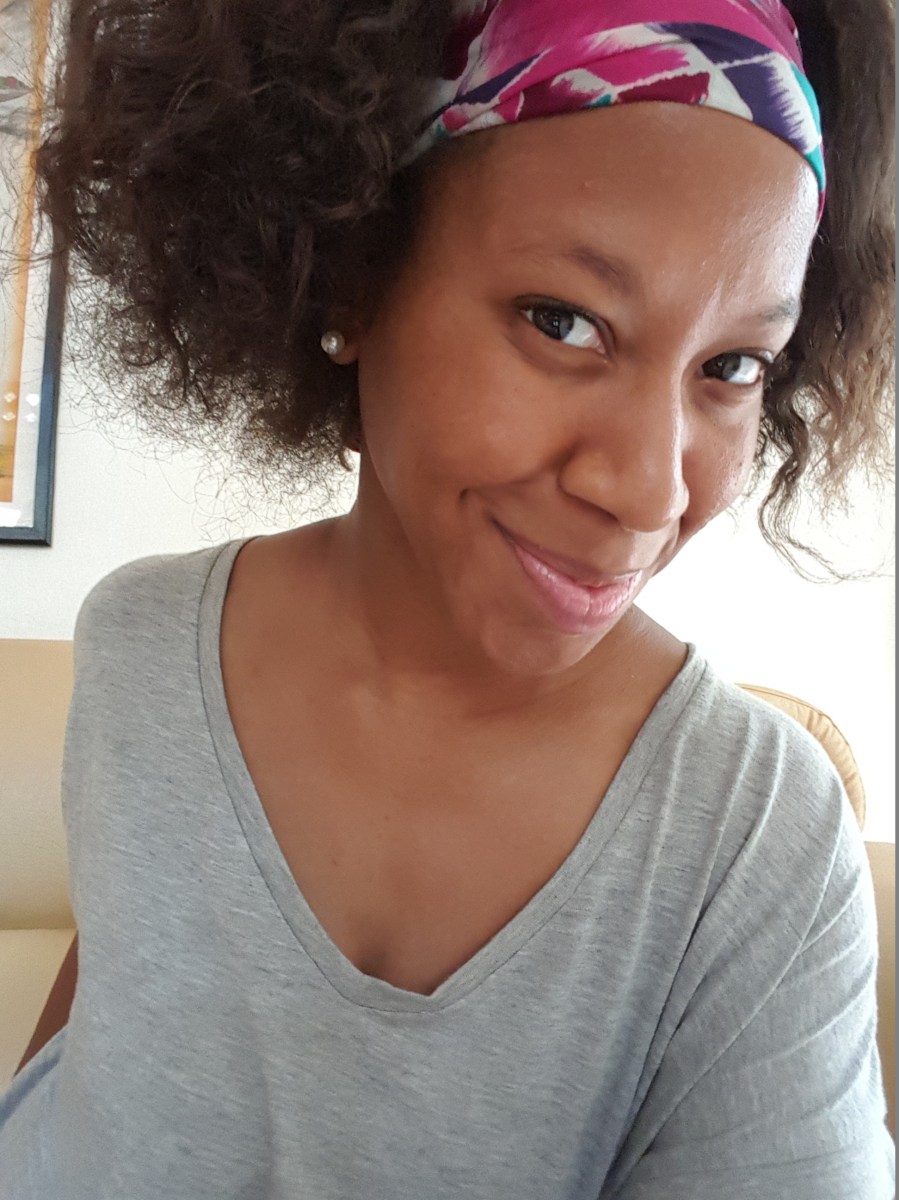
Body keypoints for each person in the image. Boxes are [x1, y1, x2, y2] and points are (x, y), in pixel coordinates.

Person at [1, 0, 894, 1196]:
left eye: (730, 366)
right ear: (354, 277)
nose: (649, 488)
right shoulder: (143, 643)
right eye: (562, 322)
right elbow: (96, 1038)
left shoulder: (753, 841)